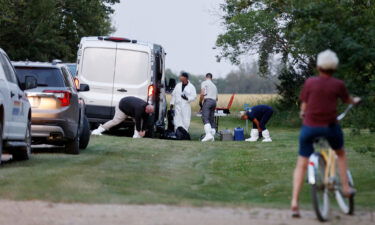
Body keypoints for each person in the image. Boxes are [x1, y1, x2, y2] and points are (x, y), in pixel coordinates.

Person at [291, 50, 361, 218]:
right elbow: (348, 100)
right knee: (341, 153)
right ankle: (345, 187)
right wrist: (355, 101)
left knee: (302, 163)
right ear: (334, 68)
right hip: (330, 127)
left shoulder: (309, 83)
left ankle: (294, 202)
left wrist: (303, 114)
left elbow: (304, 104)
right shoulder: (338, 84)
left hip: (309, 128)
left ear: (318, 67)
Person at [199, 73, 218, 142]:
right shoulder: (214, 86)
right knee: (211, 119)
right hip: (214, 102)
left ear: (206, 77)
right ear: (211, 78)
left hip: (208, 101)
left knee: (205, 118)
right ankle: (212, 137)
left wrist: (200, 102)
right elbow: (217, 98)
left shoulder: (204, 83)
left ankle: (208, 135)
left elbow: (202, 93)